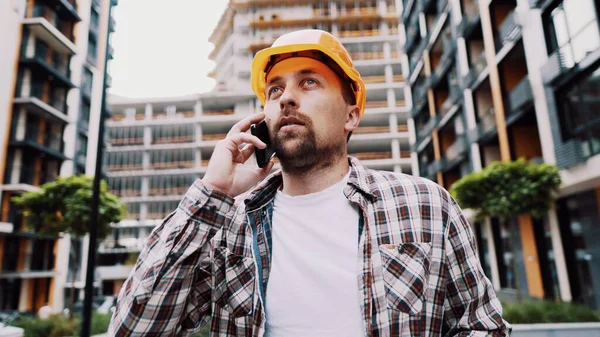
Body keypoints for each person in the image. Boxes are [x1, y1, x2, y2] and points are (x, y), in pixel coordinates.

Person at [108, 29, 511, 336]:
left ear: (351, 115)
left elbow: (482, 325)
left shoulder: (424, 205)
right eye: (275, 89)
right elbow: (134, 328)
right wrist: (212, 193)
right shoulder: (227, 224)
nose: (285, 98)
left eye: (309, 82)